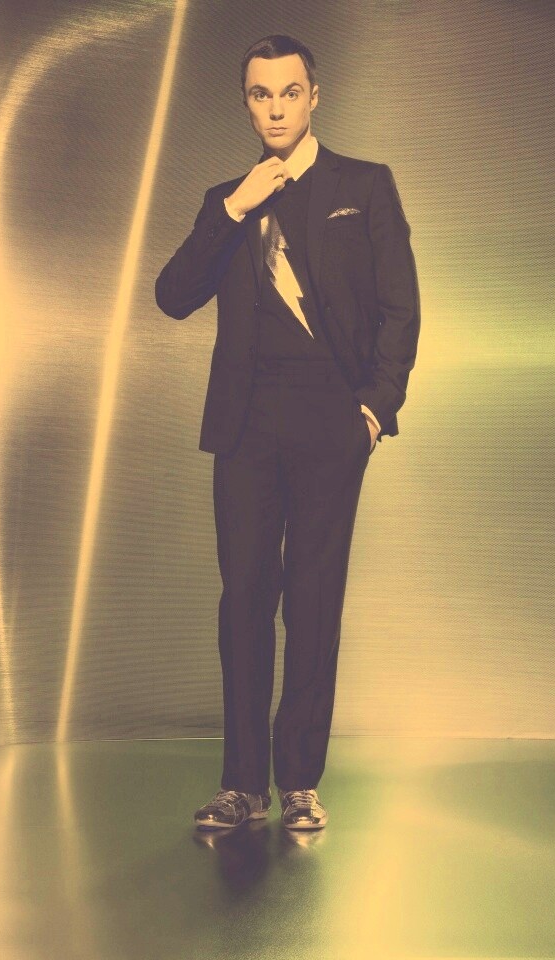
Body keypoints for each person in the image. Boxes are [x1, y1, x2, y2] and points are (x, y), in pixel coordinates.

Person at [155, 34, 421, 830]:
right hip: (244, 428)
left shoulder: (364, 186)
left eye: (289, 92)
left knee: (313, 600)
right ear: (247, 104)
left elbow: (401, 307)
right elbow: (172, 295)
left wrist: (373, 409)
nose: (275, 108)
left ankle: (300, 779)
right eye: (260, 94)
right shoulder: (226, 199)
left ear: (314, 97)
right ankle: (242, 785)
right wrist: (234, 208)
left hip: (331, 424)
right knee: (243, 601)